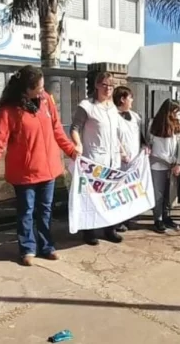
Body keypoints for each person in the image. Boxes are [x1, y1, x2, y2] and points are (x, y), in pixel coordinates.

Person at [0, 66, 79, 266]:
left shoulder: (46, 101)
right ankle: (27, 248)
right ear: (25, 89)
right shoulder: (8, 110)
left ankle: (47, 246)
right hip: (24, 173)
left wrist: (71, 150)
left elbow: (57, 130)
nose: (42, 91)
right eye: (38, 87)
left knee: (46, 210)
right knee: (26, 211)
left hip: (50, 169)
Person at [71, 71, 127, 246]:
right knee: (93, 197)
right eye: (104, 85)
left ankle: (110, 229)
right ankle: (89, 231)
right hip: (94, 159)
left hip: (113, 160)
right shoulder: (87, 106)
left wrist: (122, 150)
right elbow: (74, 128)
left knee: (110, 196)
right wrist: (78, 144)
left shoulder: (112, 108)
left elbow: (114, 134)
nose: (108, 89)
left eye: (111, 86)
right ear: (96, 85)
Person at [113, 86, 148, 232]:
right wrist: (121, 153)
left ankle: (128, 218)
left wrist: (145, 145)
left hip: (134, 160)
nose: (132, 100)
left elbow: (140, 134)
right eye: (130, 97)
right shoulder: (112, 116)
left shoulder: (135, 117)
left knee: (131, 190)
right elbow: (114, 137)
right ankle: (117, 221)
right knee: (118, 191)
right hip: (120, 161)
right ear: (122, 99)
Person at [148, 99, 180, 233]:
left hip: (172, 164)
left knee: (170, 193)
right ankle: (158, 219)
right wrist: (162, 160)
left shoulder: (178, 125)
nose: (177, 114)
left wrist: (178, 163)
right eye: (175, 111)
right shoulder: (154, 124)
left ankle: (167, 216)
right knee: (158, 193)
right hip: (157, 163)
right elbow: (150, 145)